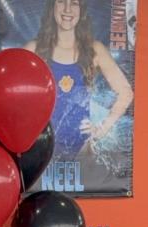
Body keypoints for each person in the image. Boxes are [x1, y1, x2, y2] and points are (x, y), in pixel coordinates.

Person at [24, 0, 133, 158]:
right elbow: (11, 94)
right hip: (40, 149)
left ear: (81, 10)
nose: (68, 9)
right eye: (61, 2)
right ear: (52, 7)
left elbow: (125, 92)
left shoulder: (94, 50)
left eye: (74, 3)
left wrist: (102, 128)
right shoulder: (33, 49)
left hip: (82, 152)